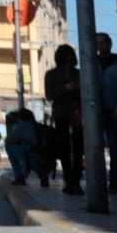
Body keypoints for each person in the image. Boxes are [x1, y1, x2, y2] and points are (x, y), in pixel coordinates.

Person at [45, 45, 84, 195]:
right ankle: (68, 180)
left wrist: (77, 89)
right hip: (61, 113)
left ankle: (77, 181)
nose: (68, 61)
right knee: (64, 148)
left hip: (77, 113)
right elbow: (49, 94)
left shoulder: (78, 73)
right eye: (66, 59)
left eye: (70, 58)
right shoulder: (51, 74)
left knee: (78, 147)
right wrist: (66, 88)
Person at [96, 32, 117, 192]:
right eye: (97, 43)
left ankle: (114, 183)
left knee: (113, 147)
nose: (100, 45)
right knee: (95, 147)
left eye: (103, 42)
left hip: (113, 110)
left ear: (109, 44)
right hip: (96, 111)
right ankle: (98, 181)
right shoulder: (93, 63)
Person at [4, 107, 39, 186]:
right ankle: (44, 178)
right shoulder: (38, 125)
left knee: (8, 146)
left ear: (20, 118)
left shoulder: (23, 126)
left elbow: (8, 139)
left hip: (31, 156)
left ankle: (19, 176)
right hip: (46, 156)